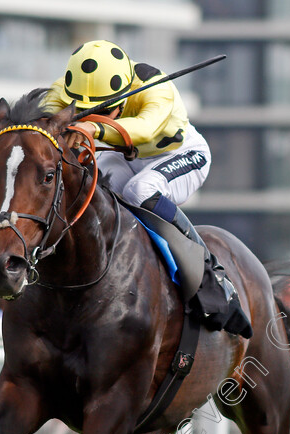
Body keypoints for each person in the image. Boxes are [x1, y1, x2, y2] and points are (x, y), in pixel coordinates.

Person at [42, 40, 251, 338]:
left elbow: (145, 129)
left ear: (125, 92)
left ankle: (210, 275)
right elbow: (45, 113)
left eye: (102, 110)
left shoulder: (157, 88)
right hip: (126, 156)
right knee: (96, 187)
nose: (90, 115)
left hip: (181, 154)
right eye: (84, 110)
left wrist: (91, 129)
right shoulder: (67, 86)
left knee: (140, 190)